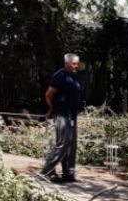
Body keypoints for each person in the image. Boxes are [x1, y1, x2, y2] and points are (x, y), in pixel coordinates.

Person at [41, 53, 83, 183]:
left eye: (77, 63)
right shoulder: (60, 75)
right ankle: (47, 171)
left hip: (72, 115)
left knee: (71, 145)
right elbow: (48, 94)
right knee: (63, 143)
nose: (77, 66)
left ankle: (68, 174)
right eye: (74, 63)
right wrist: (53, 108)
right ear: (67, 63)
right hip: (62, 114)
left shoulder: (73, 76)